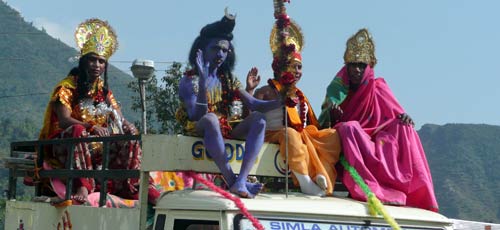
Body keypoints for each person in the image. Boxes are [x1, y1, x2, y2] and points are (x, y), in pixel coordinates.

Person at [39, 18, 160, 205]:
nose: (97, 65)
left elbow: (119, 118)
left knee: (130, 136)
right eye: (92, 60)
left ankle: (132, 186)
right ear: (84, 62)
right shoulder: (67, 87)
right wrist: (91, 127)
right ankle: (82, 185)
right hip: (66, 145)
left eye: (101, 62)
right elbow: (64, 121)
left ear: (105, 66)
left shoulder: (104, 92)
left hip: (98, 147)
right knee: (78, 131)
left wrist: (128, 126)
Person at [318, 28, 438, 211]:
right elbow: (323, 122)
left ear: (369, 67)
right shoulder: (338, 88)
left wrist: (404, 118)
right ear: (347, 66)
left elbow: (396, 113)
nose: (357, 70)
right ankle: (367, 186)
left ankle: (412, 191)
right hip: (351, 140)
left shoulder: (378, 87)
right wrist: (332, 116)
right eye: (353, 65)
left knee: (404, 128)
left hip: (376, 140)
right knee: (349, 127)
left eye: (361, 65)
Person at [176, 11, 282, 198]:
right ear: (202, 50)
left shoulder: (228, 79)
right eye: (215, 48)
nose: (220, 54)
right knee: (210, 119)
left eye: (225, 50)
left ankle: (241, 179)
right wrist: (202, 84)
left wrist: (281, 101)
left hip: (224, 127)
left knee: (259, 119)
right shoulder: (189, 80)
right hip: (200, 126)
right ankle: (232, 180)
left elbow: (254, 104)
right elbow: (196, 116)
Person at [247, 20, 341, 196]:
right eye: (293, 66)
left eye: (300, 67)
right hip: (272, 135)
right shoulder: (266, 91)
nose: (297, 71)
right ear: (281, 68)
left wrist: (331, 117)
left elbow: (313, 125)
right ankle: (305, 182)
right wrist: (250, 90)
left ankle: (320, 173)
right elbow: (249, 116)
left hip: (296, 137)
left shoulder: (299, 95)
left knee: (331, 136)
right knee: (290, 133)